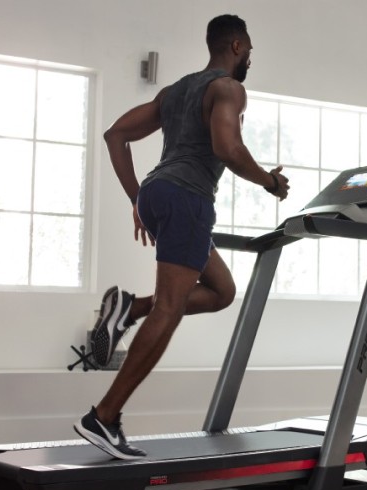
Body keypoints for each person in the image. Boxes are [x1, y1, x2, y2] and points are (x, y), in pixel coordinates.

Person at [74, 14, 290, 459]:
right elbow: (227, 148)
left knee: (222, 290)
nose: (250, 57)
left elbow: (116, 135)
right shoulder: (229, 88)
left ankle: (129, 309)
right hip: (188, 197)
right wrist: (269, 182)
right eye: (248, 49)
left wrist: (139, 198)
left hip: (159, 192)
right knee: (170, 309)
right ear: (235, 46)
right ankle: (104, 416)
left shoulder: (174, 92)